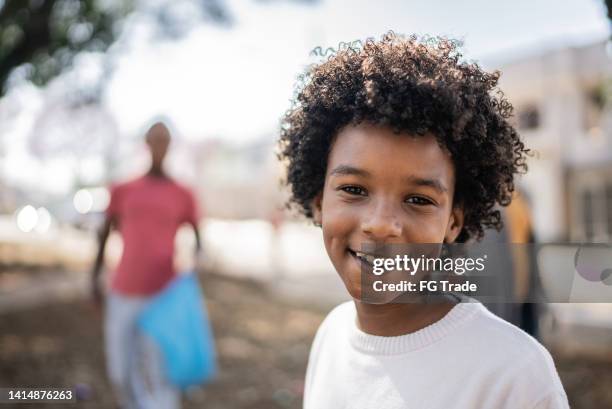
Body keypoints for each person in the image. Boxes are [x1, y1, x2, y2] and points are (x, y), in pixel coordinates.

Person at [278, 33, 569, 408]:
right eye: (353, 189)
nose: (381, 224)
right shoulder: (331, 336)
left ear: (453, 222)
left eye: (418, 199)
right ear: (318, 202)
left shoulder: (513, 374)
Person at [91, 121, 202, 409]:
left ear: (170, 145)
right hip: (124, 291)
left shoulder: (183, 193)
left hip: (164, 296)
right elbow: (104, 233)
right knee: (120, 371)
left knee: (161, 373)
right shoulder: (123, 188)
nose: (159, 145)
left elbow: (198, 240)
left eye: (164, 140)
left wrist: (191, 275)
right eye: (155, 139)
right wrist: (94, 277)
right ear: (146, 143)